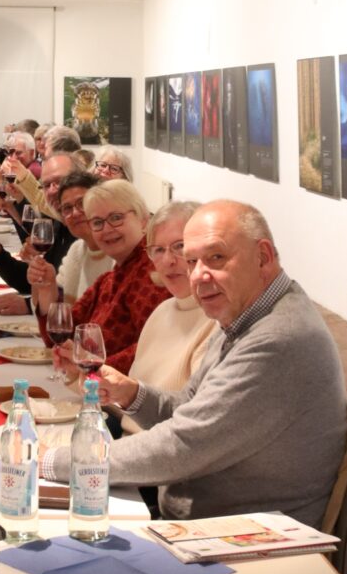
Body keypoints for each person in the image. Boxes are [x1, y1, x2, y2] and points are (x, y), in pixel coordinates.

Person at [41, 200, 347, 528]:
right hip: (206, 522)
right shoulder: (244, 314)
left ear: (263, 256)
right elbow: (188, 409)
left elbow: (182, 445)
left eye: (216, 257)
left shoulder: (278, 339)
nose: (198, 275)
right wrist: (132, 394)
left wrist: (49, 461)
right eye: (192, 261)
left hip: (243, 535)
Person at [54, 201, 214, 434]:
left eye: (179, 246)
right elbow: (132, 412)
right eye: (158, 250)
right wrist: (74, 375)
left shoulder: (216, 324)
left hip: (155, 452)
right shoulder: (162, 312)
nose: (168, 261)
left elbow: (194, 430)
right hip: (128, 441)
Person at [33, 180, 170, 374]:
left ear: (143, 220)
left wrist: (92, 368)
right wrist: (47, 288)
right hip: (97, 384)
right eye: (97, 222)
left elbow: (151, 349)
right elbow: (59, 339)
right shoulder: (108, 280)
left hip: (121, 390)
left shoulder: (153, 274)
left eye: (116, 218)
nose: (106, 229)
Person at [0, 154, 81, 303]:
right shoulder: (62, 224)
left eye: (60, 182)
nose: (52, 190)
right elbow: (31, 282)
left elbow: (78, 300)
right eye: (46, 185)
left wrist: (28, 305)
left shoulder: (84, 234)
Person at [27, 172, 113, 306]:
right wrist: (46, 286)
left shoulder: (117, 254)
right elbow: (56, 312)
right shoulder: (76, 250)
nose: (75, 213)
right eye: (67, 208)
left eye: (82, 203)